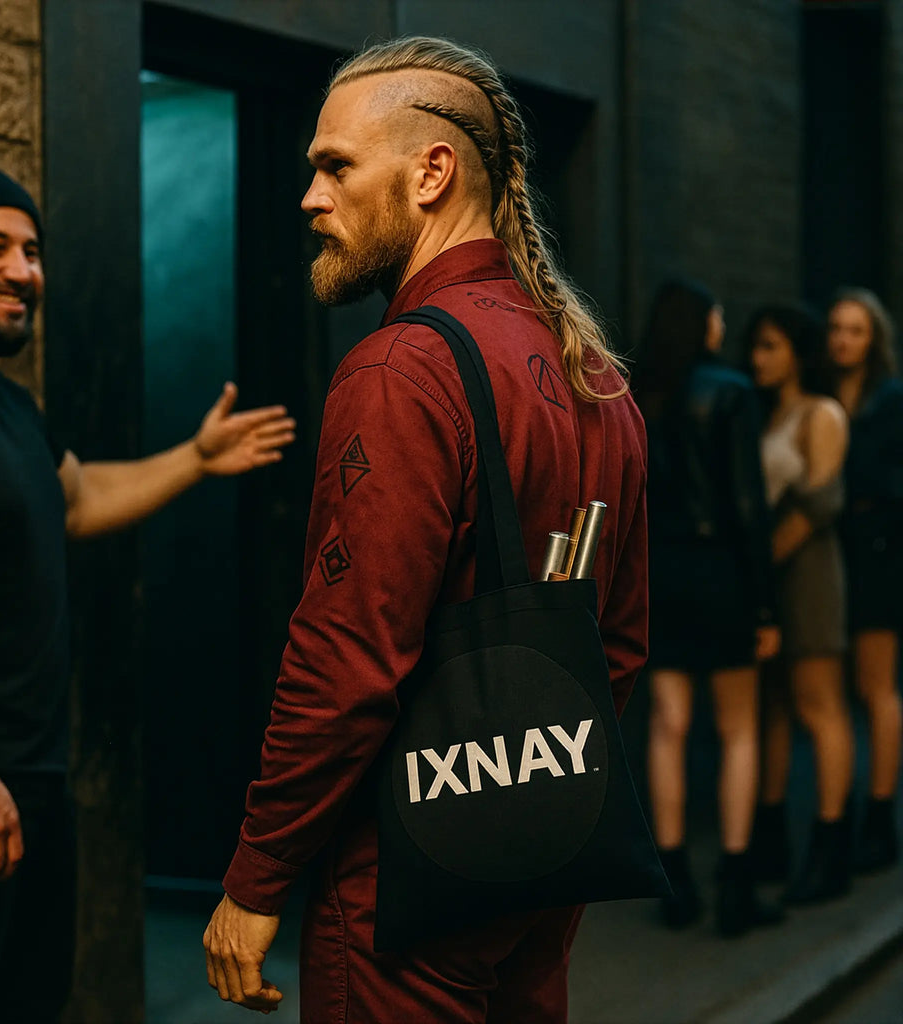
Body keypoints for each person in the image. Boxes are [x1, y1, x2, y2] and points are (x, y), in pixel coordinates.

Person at [202, 36, 648, 1023]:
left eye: (334, 166)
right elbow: (615, 642)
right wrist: (535, 812)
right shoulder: (596, 374)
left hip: (401, 878)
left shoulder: (401, 369)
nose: (310, 197)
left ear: (431, 171)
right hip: (541, 856)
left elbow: (348, 654)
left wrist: (256, 874)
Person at [0, 165, 295, 1024]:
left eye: (32, 251)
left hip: (24, 788)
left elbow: (76, 498)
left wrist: (196, 458)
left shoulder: (4, 407)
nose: (22, 268)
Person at [634, 279, 782, 936]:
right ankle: (735, 883)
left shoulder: (638, 393)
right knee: (738, 729)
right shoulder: (731, 390)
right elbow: (749, 507)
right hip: (721, 572)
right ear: (704, 325)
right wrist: (766, 606)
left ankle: (674, 883)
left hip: (661, 575)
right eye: (719, 316)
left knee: (667, 725)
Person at [746, 302, 854, 904]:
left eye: (768, 346)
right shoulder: (765, 415)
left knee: (820, 705)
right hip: (771, 582)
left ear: (795, 351)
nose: (757, 358)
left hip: (809, 574)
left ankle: (831, 844)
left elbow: (819, 504)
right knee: (774, 707)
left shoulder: (822, 413)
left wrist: (760, 567)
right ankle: (771, 839)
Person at [826, 287, 903, 871]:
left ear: (874, 338)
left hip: (878, 555)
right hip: (832, 555)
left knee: (876, 687)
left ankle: (880, 816)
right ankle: (843, 809)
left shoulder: (892, 399)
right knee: (838, 693)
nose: (843, 340)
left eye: (855, 330)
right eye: (837, 329)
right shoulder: (822, 397)